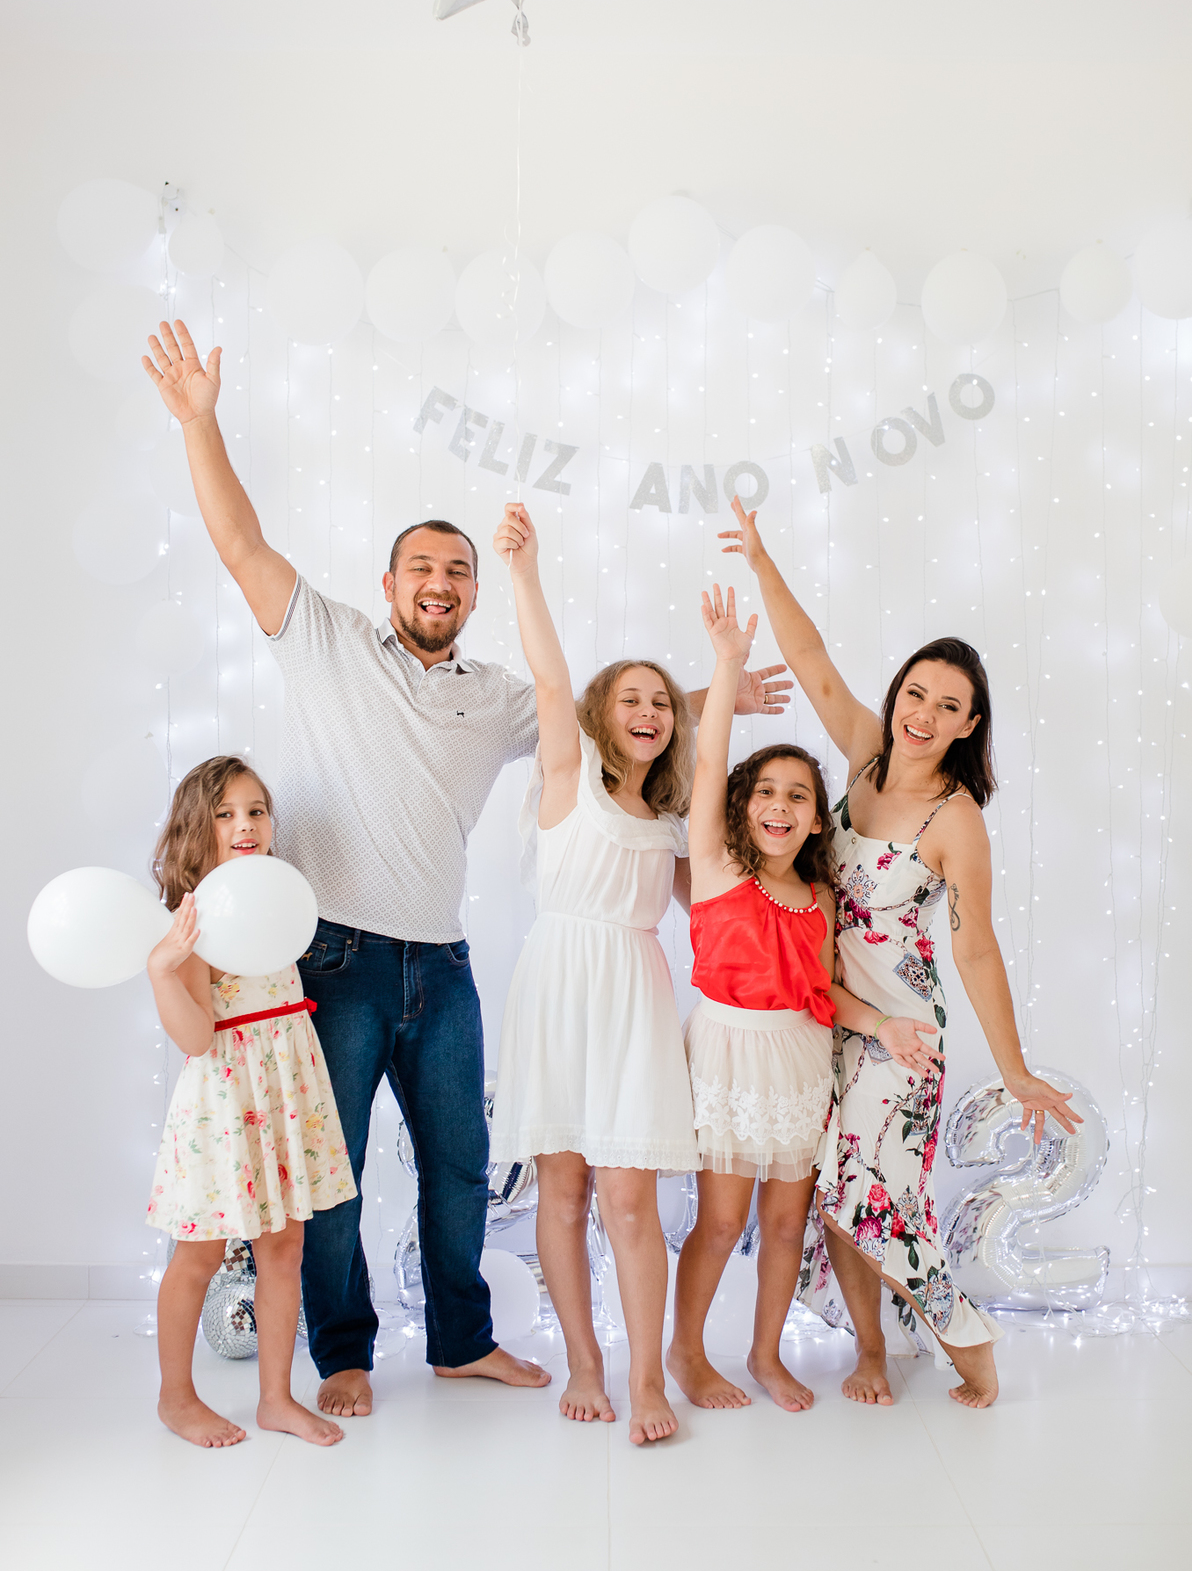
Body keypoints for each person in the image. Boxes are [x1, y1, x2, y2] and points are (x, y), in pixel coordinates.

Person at [140, 319, 789, 1419]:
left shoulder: (492, 697)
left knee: (461, 1164)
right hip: (332, 955)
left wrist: (703, 695)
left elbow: (590, 718)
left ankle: (461, 1343)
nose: (439, 583)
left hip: (441, 965)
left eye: (458, 572)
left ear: (475, 596)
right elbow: (242, 546)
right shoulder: (331, 642)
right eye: (423, 568)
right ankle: (344, 1355)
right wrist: (202, 423)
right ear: (389, 582)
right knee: (335, 1174)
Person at [720, 497, 1082, 1408]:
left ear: (969, 725)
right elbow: (811, 660)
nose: (924, 713)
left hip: (902, 1036)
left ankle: (970, 1344)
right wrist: (761, 561)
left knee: (874, 1196)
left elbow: (979, 952)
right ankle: (872, 1348)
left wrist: (1015, 1069)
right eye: (916, 693)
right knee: (839, 1199)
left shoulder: (956, 821)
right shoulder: (865, 759)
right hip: (828, 1015)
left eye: (947, 706)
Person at [489, 501, 699, 1446]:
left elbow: (715, 904)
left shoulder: (669, 821)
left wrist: (721, 696)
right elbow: (549, 678)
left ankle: (648, 1377)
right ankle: (584, 1362)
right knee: (564, 1191)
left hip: (633, 996)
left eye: (662, 702)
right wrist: (526, 574)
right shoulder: (567, 777)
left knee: (630, 1198)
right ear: (600, 717)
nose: (649, 713)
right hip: (559, 984)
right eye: (632, 700)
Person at [146, 756, 354, 1448]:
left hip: (285, 1083)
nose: (246, 824)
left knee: (285, 1245)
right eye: (226, 813)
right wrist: (163, 972)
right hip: (227, 1096)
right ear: (197, 825)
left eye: (257, 810)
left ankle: (275, 1398)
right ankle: (176, 1398)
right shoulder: (197, 917)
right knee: (200, 1253)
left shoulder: (271, 895)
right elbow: (196, 1037)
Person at [666, 585, 837, 1414]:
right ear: (743, 804)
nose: (780, 805)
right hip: (728, 1054)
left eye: (798, 796)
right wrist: (728, 665)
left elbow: (825, 989)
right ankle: (687, 1352)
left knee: (785, 1224)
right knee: (722, 1220)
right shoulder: (716, 867)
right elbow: (706, 764)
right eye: (767, 790)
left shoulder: (820, 898)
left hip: (799, 1058)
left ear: (816, 822)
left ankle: (767, 1354)